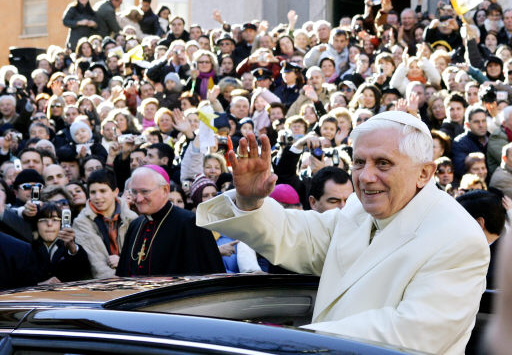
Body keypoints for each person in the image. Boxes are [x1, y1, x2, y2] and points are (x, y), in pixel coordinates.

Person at [197, 111, 489, 354]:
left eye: (383, 163)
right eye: (359, 162)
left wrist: (295, 342)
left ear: (424, 173)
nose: (365, 176)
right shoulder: (357, 210)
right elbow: (299, 238)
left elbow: (410, 334)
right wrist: (250, 200)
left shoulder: (458, 238)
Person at [116, 165, 225, 276]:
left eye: (144, 192)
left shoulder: (190, 223)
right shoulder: (135, 225)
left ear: (165, 190)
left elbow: (209, 276)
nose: (138, 198)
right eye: (134, 192)